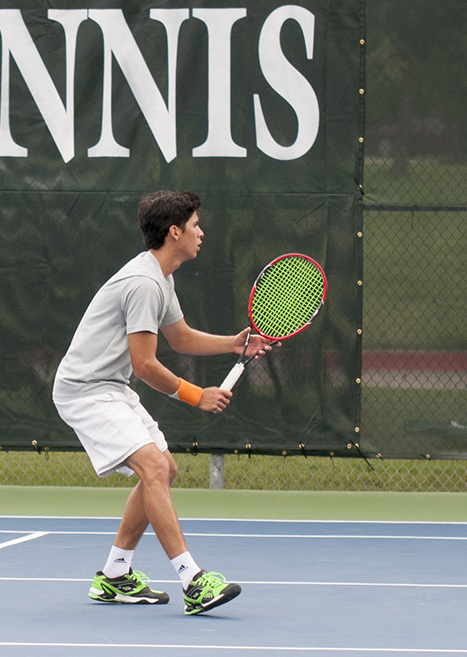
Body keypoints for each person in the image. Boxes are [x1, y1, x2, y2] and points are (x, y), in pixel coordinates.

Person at [52, 189, 274, 616]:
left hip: (108, 386)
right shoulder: (143, 283)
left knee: (164, 468)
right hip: (85, 389)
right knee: (153, 466)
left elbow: (181, 337)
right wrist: (197, 395)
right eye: (194, 225)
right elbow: (145, 364)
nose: (201, 233)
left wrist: (233, 343)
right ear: (175, 232)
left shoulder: (160, 278)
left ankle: (115, 575)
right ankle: (193, 581)